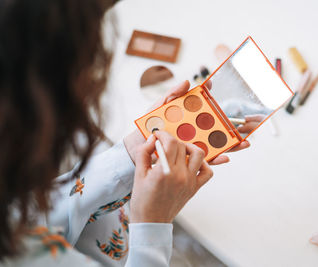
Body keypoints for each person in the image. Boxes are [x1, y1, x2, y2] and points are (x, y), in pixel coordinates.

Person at [0, 0, 250, 266]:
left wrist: (131, 153)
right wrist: (152, 222)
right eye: (83, 72)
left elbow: (47, 210)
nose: (93, 84)